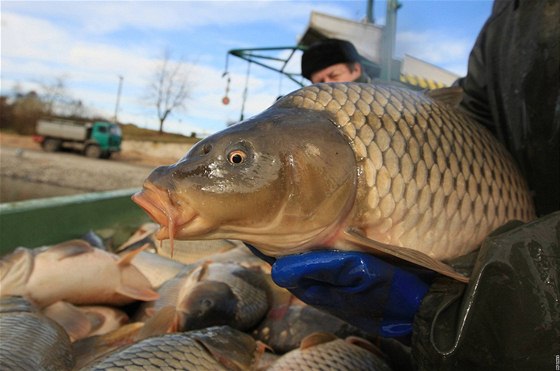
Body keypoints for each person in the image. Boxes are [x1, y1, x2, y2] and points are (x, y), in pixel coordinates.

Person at [251, 1, 560, 370]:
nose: (327, 88)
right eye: (318, 83)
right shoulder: (503, 20)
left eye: (333, 76)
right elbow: (476, 112)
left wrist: (459, 310)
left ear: (356, 69)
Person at [301, 38, 372, 84]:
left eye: (334, 75)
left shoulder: (382, 94)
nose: (327, 84)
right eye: (320, 83)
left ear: (356, 69)